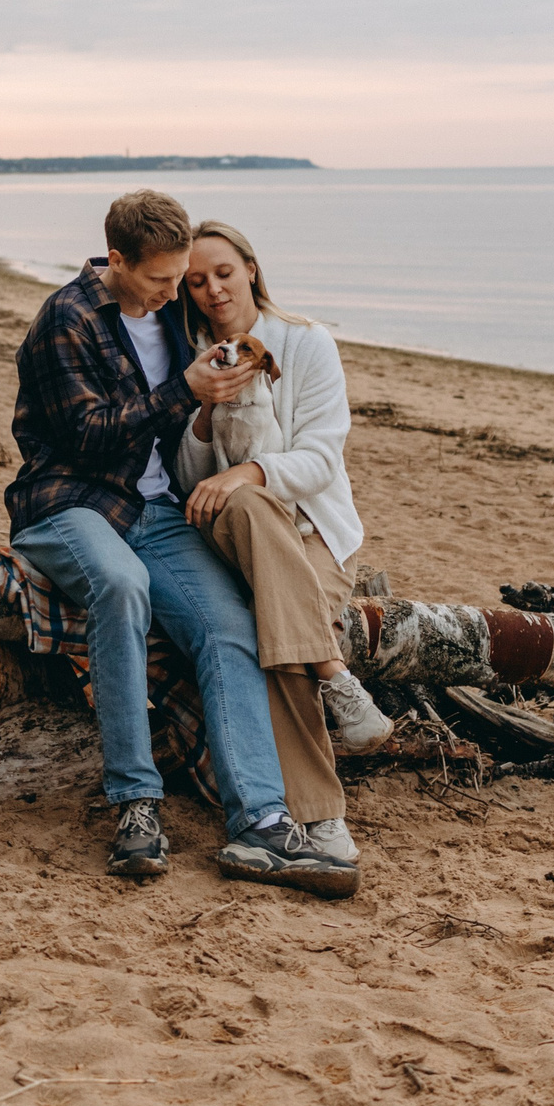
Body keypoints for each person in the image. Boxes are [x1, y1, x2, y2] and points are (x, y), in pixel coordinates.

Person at [4, 189, 358, 897]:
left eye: (183, 279)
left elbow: (192, 440)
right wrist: (184, 395)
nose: (177, 293)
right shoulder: (66, 318)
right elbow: (85, 438)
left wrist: (213, 407)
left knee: (229, 628)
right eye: (164, 279)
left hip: (152, 508)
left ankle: (259, 819)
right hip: (68, 502)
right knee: (122, 586)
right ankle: (137, 803)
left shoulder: (171, 321)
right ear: (117, 260)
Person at [174, 221, 394, 869]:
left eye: (223, 272)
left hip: (310, 532)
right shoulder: (191, 357)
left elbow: (321, 459)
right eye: (196, 281)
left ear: (250, 268)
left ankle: (315, 819)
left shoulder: (303, 341)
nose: (213, 289)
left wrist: (249, 471)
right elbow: (194, 484)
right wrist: (206, 406)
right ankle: (336, 685)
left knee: (271, 632)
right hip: (232, 533)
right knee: (242, 504)